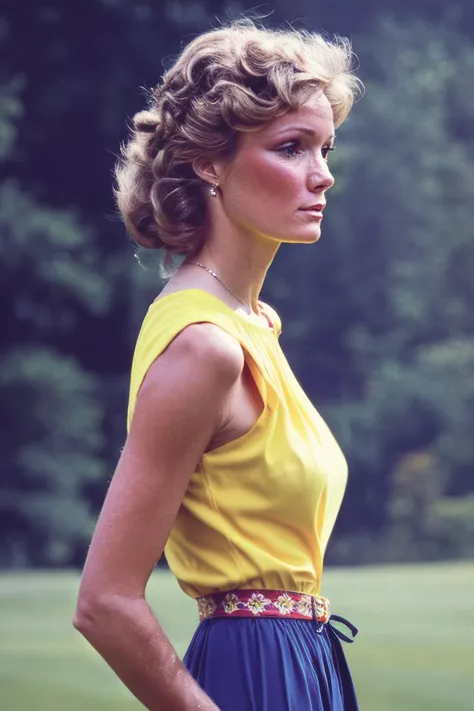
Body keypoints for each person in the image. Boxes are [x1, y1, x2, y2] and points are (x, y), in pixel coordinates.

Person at [73, 17, 363, 711]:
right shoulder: (204, 344)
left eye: (324, 147)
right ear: (209, 161)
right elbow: (104, 601)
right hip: (255, 672)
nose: (321, 173)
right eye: (290, 148)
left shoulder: (255, 325)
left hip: (308, 662)